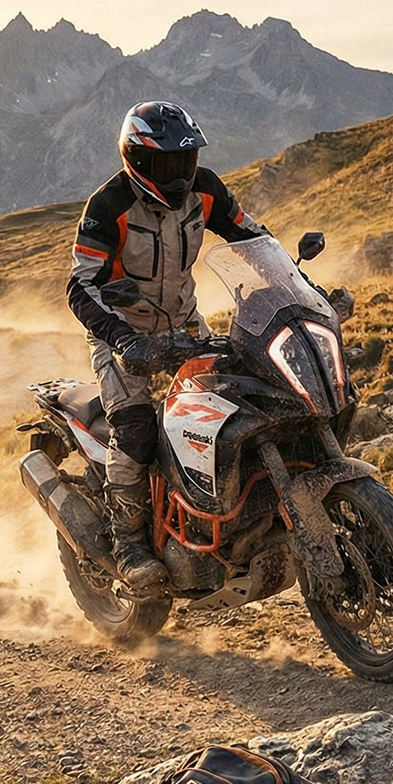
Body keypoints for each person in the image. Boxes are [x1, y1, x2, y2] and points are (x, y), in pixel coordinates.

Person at [65, 100, 274, 591]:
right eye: (165, 164)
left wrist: (297, 285)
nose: (179, 175)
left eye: (185, 160)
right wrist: (122, 339)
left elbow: (250, 237)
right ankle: (129, 542)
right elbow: (81, 285)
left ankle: (222, 515)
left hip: (185, 323)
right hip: (123, 333)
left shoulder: (206, 190)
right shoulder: (108, 206)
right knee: (136, 429)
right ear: (136, 160)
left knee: (243, 402)